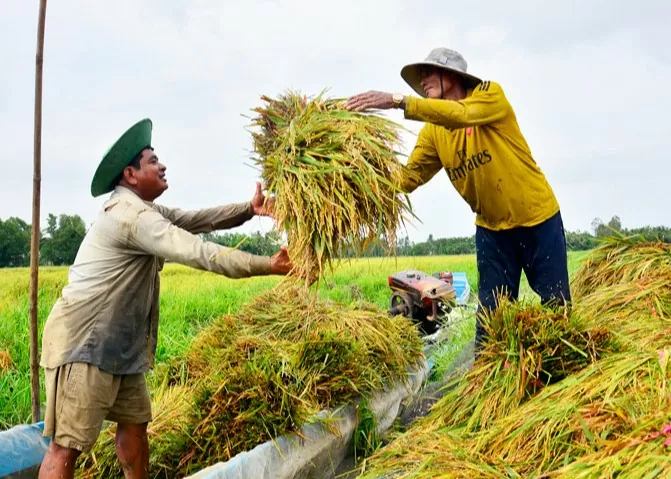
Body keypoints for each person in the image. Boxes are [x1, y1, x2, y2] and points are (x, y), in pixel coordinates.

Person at [38, 118, 293, 479]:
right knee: (67, 446)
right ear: (130, 174)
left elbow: (198, 220)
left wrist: (248, 209)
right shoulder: (130, 216)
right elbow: (197, 251)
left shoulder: (147, 211)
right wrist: (268, 264)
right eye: (153, 161)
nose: (163, 166)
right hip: (85, 344)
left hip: (121, 348)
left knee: (135, 428)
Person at [345, 47, 571, 349]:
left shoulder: (490, 97)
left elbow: (461, 115)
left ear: (451, 74)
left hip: (537, 219)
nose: (422, 81)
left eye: (428, 72)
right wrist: (358, 168)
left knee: (557, 308)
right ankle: (486, 383)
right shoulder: (433, 133)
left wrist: (397, 101)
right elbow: (407, 179)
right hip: (492, 232)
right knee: (491, 320)